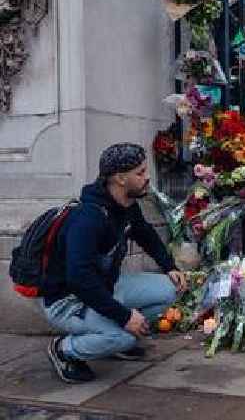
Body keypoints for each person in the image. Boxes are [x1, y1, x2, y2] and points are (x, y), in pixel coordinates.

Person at [43, 143, 187, 383]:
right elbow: (79, 279)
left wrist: (169, 266)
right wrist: (123, 317)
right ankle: (64, 349)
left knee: (172, 290)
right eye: (140, 173)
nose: (147, 177)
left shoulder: (127, 205)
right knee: (126, 336)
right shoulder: (88, 218)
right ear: (120, 178)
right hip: (67, 300)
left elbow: (145, 234)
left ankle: (113, 338)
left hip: (105, 287)